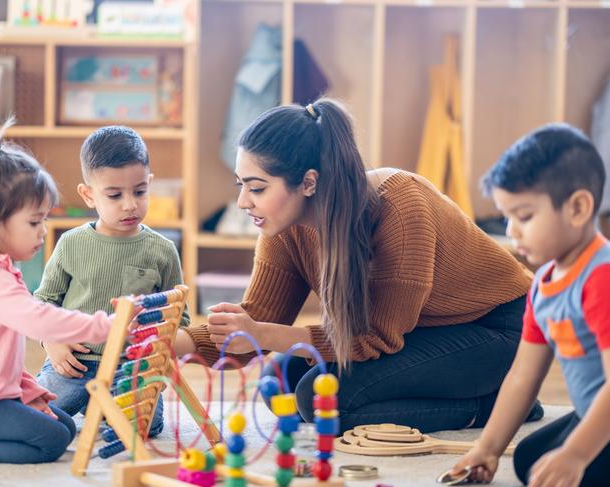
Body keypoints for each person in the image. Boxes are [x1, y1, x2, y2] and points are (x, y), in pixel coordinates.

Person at [172, 98, 542, 433]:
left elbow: (375, 338)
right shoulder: (284, 228)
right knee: (281, 383)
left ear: (308, 183)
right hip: (420, 329)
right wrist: (175, 344)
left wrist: (263, 334)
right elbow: (254, 322)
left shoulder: (399, 209)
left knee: (324, 403)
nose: (241, 202)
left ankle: (493, 406)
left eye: (257, 188)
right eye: (241, 185)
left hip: (500, 328)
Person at [449, 124, 610, 487]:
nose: (513, 231)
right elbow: (522, 376)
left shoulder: (601, 277)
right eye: (507, 217)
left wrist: (577, 454)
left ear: (578, 208)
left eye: (524, 216)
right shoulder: (543, 285)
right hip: (594, 416)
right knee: (530, 460)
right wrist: (488, 448)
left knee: (573, 468)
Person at [0, 123, 112, 463]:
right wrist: (105, 326)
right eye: (34, 222)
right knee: (53, 441)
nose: (43, 232)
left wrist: (26, 390)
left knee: (66, 427)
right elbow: (39, 321)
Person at [35, 126, 189, 438]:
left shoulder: (163, 250)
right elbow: (42, 303)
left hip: (130, 369)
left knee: (144, 428)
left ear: (150, 184)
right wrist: (53, 342)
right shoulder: (70, 243)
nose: (130, 204)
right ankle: (92, 404)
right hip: (74, 363)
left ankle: (100, 407)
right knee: (36, 418)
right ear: (88, 194)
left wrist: (154, 356)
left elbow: (179, 318)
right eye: (115, 195)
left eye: (140, 191)